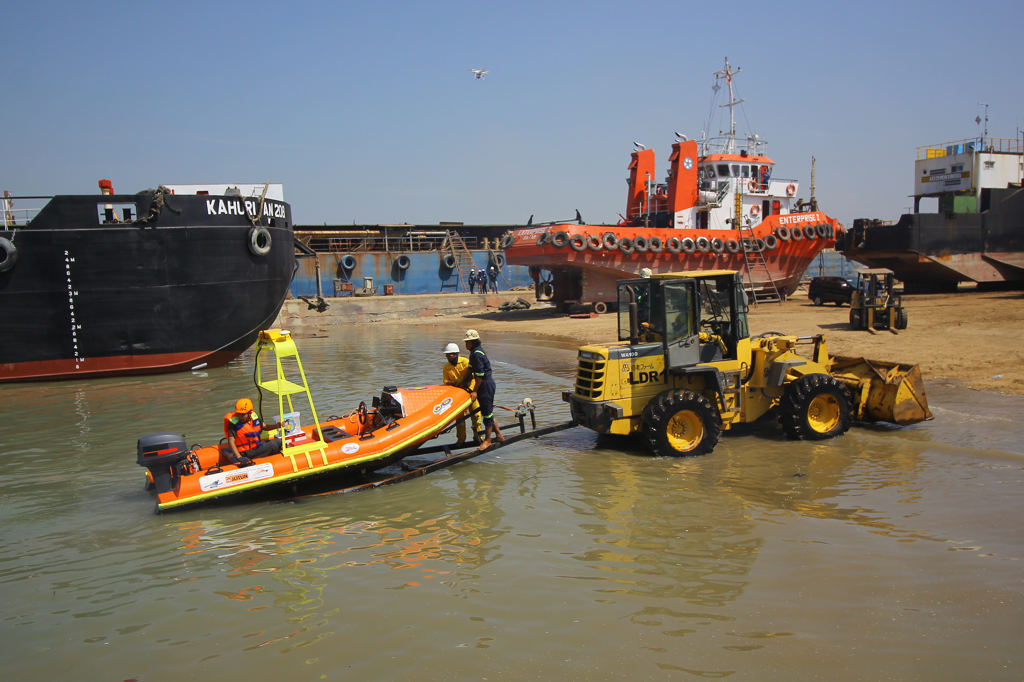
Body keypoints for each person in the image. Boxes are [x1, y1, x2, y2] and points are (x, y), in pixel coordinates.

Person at [463, 329, 504, 450]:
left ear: (473, 342)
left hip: (485, 384)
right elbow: (470, 370)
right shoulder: (474, 352)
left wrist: (474, 391)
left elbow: (479, 376)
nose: (466, 344)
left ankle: (487, 440)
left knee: (486, 414)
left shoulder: (477, 354)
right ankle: (499, 436)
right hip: (484, 384)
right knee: (488, 411)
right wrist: (460, 383)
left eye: (468, 342)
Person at [442, 342, 483, 445]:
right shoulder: (446, 367)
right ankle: (461, 440)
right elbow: (446, 382)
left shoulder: (465, 362)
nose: (447, 357)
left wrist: (472, 391)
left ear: (455, 354)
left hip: (470, 393)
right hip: (458, 396)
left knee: (476, 415)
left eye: (449, 355)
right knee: (459, 419)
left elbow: (474, 378)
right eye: (446, 355)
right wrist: (455, 383)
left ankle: (478, 437)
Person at [224, 398, 282, 466]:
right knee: (276, 443)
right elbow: (231, 441)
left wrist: (277, 425)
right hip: (245, 453)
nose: (240, 417)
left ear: (249, 413)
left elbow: (265, 427)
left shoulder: (254, 418)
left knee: (275, 441)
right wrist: (239, 457)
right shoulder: (234, 424)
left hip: (256, 448)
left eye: (243, 414)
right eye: (238, 414)